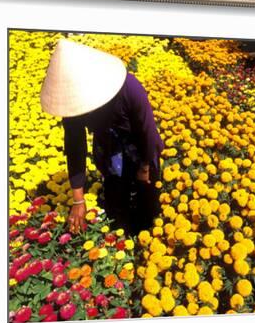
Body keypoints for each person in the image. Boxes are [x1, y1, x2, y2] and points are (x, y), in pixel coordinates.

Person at [40, 38, 164, 236]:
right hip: (109, 150)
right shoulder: (73, 104)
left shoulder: (130, 88)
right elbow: (75, 147)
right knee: (116, 203)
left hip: (139, 149)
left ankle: (146, 236)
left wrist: (145, 168)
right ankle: (121, 234)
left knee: (148, 202)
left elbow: (147, 132)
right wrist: (78, 200)